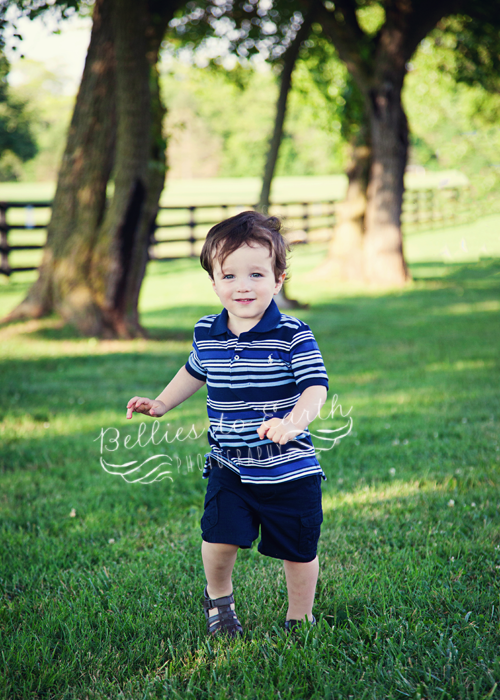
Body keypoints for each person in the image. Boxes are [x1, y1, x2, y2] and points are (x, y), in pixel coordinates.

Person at [126, 211, 329, 637]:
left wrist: (294, 422)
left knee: (298, 549)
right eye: (230, 274)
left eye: (256, 274)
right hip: (229, 466)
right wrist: (161, 403)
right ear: (214, 282)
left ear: (278, 280)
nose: (243, 285)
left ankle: (299, 615)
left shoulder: (293, 333)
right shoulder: (207, 331)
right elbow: (193, 371)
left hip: (289, 468)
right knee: (218, 540)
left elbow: (315, 388)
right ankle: (219, 601)